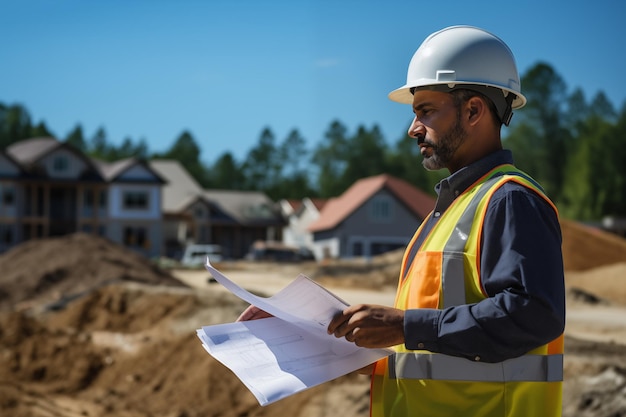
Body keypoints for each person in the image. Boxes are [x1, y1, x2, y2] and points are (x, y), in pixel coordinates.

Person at [239, 25, 565, 417]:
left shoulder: (509, 200)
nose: (413, 128)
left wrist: (406, 326)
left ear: (474, 110)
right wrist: (311, 335)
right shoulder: (451, 210)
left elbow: (534, 315)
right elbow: (438, 351)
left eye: (425, 111)